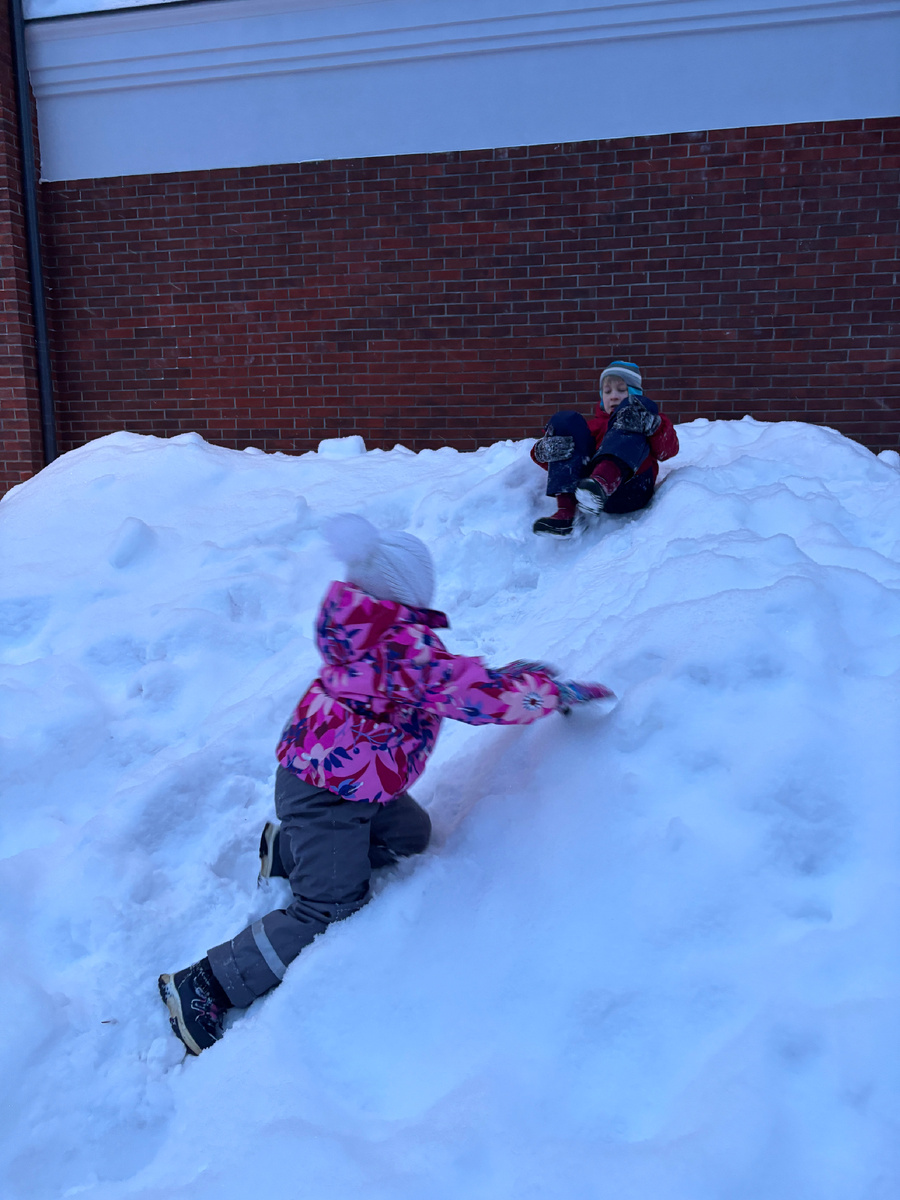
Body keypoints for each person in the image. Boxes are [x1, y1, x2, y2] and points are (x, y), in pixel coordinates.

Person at [159, 515, 613, 1055]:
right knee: (328, 910)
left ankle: (288, 848)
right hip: (328, 795)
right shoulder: (396, 648)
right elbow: (473, 694)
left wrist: (514, 673)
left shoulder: (363, 626)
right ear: (406, 593)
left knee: (411, 836)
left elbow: (460, 678)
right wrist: (545, 691)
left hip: (349, 782)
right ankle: (207, 983)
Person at [531, 360, 679, 536]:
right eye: (607, 391)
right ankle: (567, 513)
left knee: (636, 409)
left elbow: (668, 449)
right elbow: (571, 462)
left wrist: (653, 425)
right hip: (589, 494)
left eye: (622, 390)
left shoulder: (646, 420)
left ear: (634, 392)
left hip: (632, 488)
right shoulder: (593, 427)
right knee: (567, 421)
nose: (613, 396)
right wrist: (542, 452)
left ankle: (603, 481)